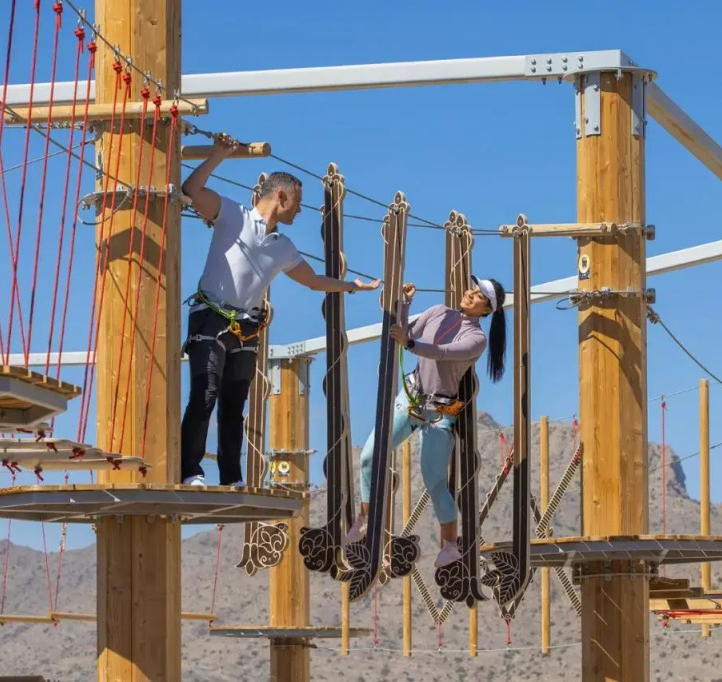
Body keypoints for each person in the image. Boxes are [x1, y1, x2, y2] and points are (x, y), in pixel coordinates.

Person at [180, 134, 380, 487]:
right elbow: (191, 190)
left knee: (234, 405)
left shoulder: (283, 246)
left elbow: (313, 281)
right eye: (298, 202)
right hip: (211, 317)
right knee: (205, 393)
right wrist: (219, 155)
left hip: (246, 327)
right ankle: (190, 470)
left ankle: (231, 477)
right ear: (281, 196)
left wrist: (352, 286)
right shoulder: (233, 215)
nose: (300, 210)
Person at [344, 276, 508, 567]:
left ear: (486, 310)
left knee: (434, 480)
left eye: (479, 295)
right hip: (411, 398)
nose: (470, 293)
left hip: (440, 411)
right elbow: (404, 333)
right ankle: (366, 518)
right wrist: (406, 304)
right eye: (472, 288)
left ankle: (450, 545)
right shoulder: (437, 311)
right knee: (370, 456)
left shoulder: (477, 340)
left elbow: (443, 353)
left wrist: (409, 343)